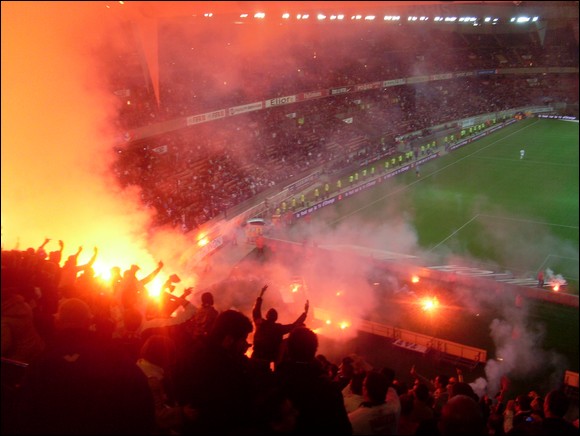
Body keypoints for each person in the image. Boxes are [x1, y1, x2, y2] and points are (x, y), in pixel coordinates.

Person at [274, 326, 352, 434]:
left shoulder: (276, 384)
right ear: (314, 350)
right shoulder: (329, 388)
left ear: (289, 349)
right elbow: (343, 428)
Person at [251, 284, 309, 371]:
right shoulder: (279, 328)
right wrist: (305, 313)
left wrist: (261, 294)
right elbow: (295, 325)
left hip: (257, 357)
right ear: (276, 318)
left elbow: (256, 311)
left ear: (267, 315)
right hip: (270, 358)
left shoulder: (261, 323)